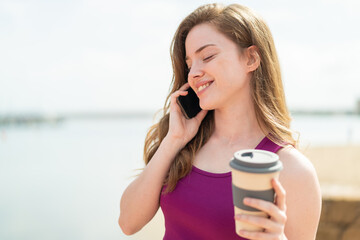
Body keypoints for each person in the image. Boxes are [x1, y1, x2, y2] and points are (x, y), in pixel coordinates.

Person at [118, 3, 322, 240]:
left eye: (207, 56)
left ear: (251, 58)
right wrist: (173, 140)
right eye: (189, 64)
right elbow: (127, 223)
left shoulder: (292, 170)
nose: (194, 72)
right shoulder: (184, 145)